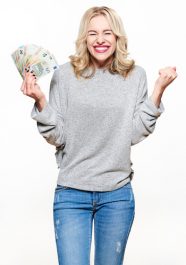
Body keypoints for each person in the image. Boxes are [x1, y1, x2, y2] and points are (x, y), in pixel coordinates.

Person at [20, 6, 177, 265]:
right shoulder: (64, 75)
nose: (100, 40)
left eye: (107, 32)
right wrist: (40, 99)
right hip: (71, 194)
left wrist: (159, 90)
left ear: (117, 37)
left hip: (117, 195)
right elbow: (58, 136)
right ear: (84, 38)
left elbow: (134, 133)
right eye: (92, 33)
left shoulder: (135, 76)